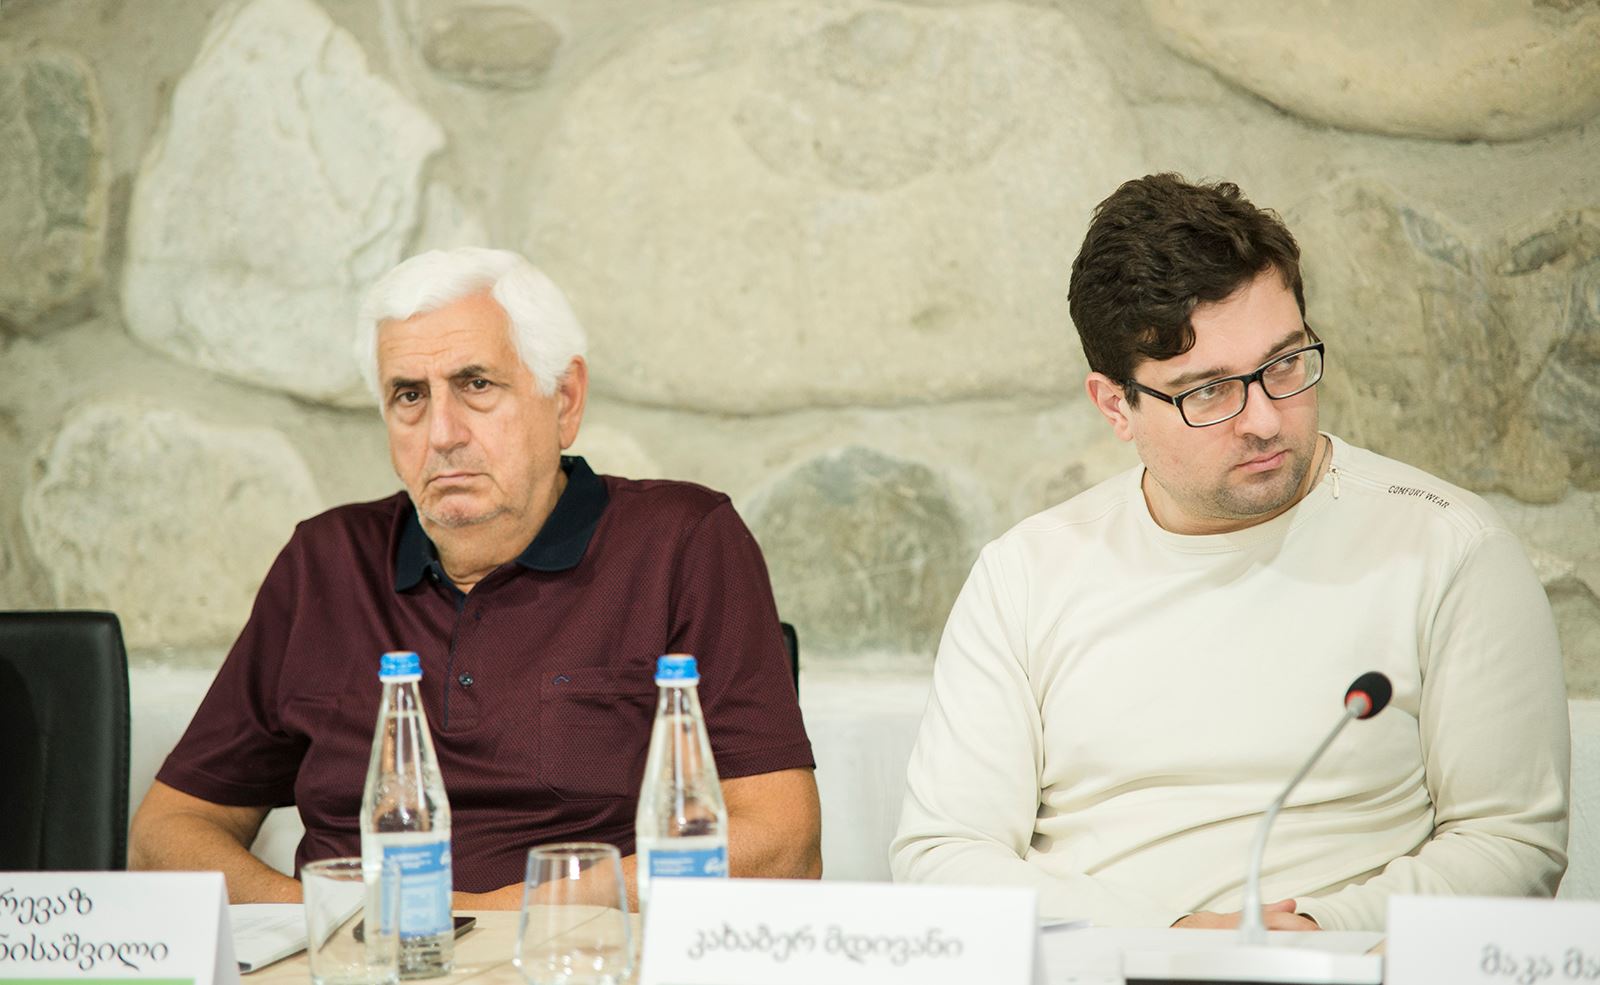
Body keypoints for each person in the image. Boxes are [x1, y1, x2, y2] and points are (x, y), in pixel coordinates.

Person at [890, 174, 1570, 932]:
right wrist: (1166, 938)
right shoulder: (1025, 576)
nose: (1265, 420)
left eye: (1284, 364)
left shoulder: (1448, 548)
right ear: (1116, 405)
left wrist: (1317, 930)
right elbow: (944, 854)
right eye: (1208, 392)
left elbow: (1511, 844)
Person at [130, 247, 821, 907]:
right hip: (354, 960)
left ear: (565, 400)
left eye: (477, 385)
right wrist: (330, 917)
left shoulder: (680, 541)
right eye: (409, 395)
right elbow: (167, 832)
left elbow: (782, 843)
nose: (442, 433)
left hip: (579, 956)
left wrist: (503, 916)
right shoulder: (326, 562)